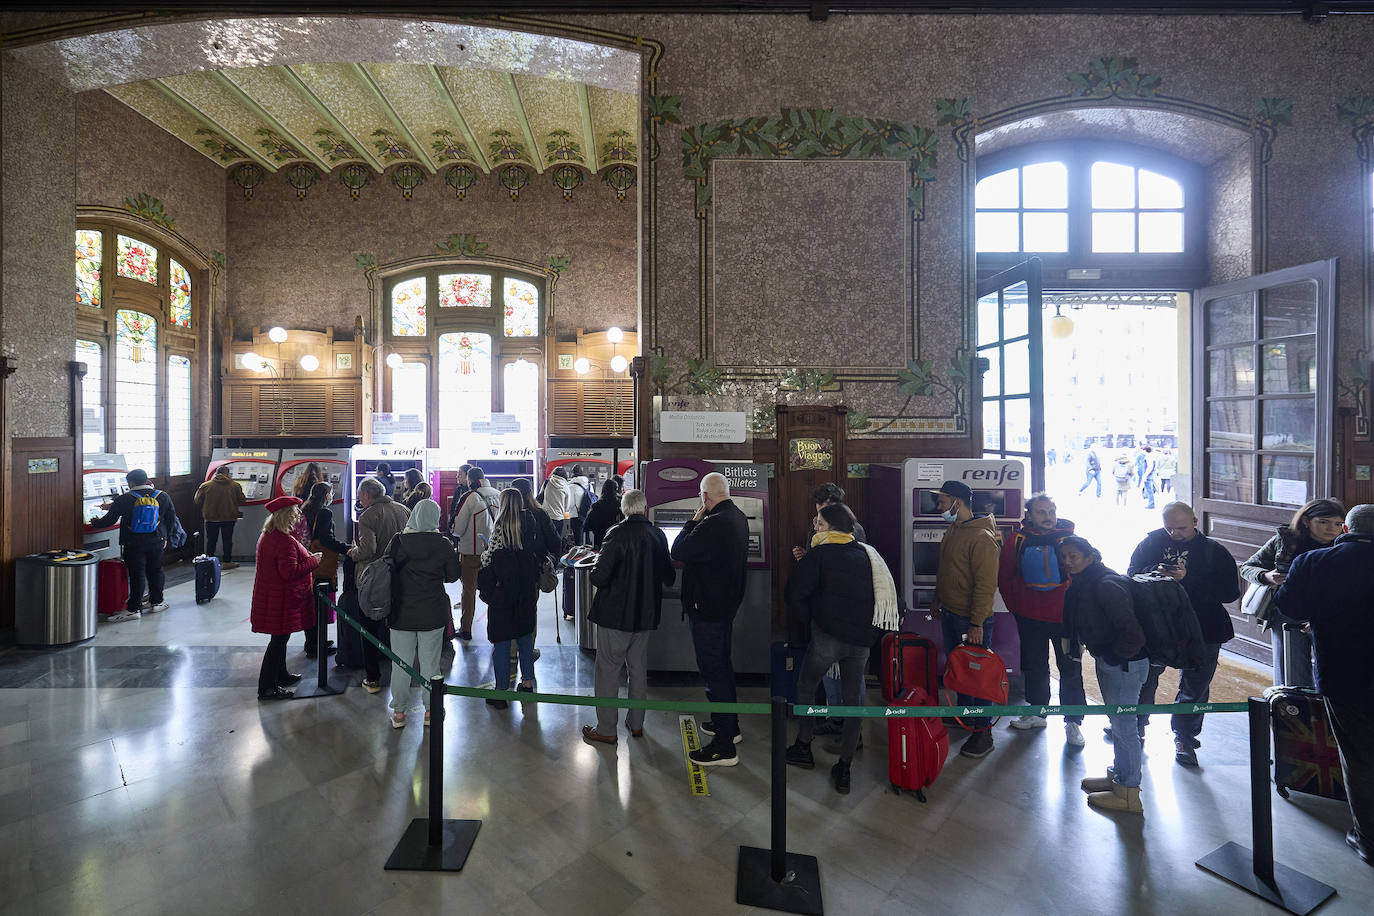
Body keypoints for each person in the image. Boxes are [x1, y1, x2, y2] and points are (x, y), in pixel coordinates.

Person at [1275, 504, 1374, 867]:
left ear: (1345, 530)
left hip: (1342, 673)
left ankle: (1369, 839)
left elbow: (1288, 607)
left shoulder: (1315, 562)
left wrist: (1319, 618)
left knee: (1360, 757)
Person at [1127, 501, 1241, 767]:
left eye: (1180, 528)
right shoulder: (1152, 542)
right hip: (1156, 623)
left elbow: (1230, 593)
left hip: (1203, 625)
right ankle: (1136, 726)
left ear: (1195, 522)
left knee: (1196, 685)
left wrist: (1187, 579)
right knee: (1145, 679)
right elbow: (1131, 574)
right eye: (1169, 528)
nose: (1174, 534)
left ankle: (1185, 738)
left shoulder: (1214, 551)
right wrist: (1155, 574)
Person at [784, 504, 886, 794]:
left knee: (806, 685)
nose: (815, 528)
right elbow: (888, 596)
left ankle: (803, 747)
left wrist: (814, 622)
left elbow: (794, 594)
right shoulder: (869, 554)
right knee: (854, 700)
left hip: (827, 638)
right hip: (861, 642)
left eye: (818, 523)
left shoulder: (818, 555)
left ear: (828, 527)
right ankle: (845, 766)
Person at [1058, 536, 1149, 814]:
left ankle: (1129, 792)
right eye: (1064, 557)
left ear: (1090, 556)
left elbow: (1133, 635)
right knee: (1118, 722)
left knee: (1124, 727)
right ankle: (1119, 778)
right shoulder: (1087, 581)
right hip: (1113, 661)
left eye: (1074, 556)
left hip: (1124, 665)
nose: (1068, 562)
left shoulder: (1106, 584)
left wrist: (1111, 657)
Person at [582, 488, 674, 744]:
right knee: (638, 670)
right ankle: (636, 724)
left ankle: (606, 729)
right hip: (644, 616)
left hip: (615, 616)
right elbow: (669, 577)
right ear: (644, 508)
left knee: (608, 672)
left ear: (623, 509)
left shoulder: (616, 534)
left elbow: (599, 577)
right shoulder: (657, 535)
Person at [671, 470, 750, 766]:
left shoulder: (713, 524)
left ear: (704, 497)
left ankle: (724, 747)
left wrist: (693, 519)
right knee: (722, 666)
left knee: (713, 670)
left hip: (707, 610)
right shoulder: (739, 517)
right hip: (725, 606)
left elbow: (678, 550)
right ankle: (727, 724)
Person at [997, 494, 1086, 746]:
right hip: (1029, 617)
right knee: (1034, 667)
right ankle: (1037, 712)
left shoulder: (1070, 540)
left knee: (1070, 669)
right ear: (1029, 515)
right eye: (1041, 512)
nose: (1048, 517)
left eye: (1051, 511)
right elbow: (1004, 577)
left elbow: (1085, 574)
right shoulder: (1016, 540)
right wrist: (1016, 609)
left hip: (1065, 619)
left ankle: (1073, 722)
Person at [931, 479, 1003, 759]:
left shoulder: (981, 538)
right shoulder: (955, 529)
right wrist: (938, 598)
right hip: (951, 612)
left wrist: (976, 624)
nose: (939, 507)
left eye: (942, 502)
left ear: (957, 503)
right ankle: (967, 715)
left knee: (978, 677)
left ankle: (983, 733)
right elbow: (946, 569)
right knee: (962, 672)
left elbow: (986, 586)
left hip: (970, 621)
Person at [1240, 497, 1345, 688]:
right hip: (1287, 613)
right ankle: (1291, 715)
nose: (1332, 528)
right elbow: (1247, 567)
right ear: (1306, 521)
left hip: (1329, 616)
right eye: (1323, 522)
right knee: (1290, 675)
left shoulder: (1343, 546)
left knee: (1332, 672)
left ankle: (1325, 715)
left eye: (1338, 523)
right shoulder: (1286, 541)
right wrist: (1266, 576)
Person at [386, 499, 460, 728]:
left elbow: (387, 570)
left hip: (400, 613)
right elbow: (453, 576)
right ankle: (431, 711)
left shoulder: (398, 541)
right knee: (430, 664)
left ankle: (399, 713)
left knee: (401, 664)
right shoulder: (443, 544)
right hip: (432, 612)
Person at [250, 496, 321, 701]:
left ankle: (281, 675)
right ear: (285, 516)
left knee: (280, 639)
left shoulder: (270, 535)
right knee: (278, 642)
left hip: (275, 597)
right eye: (294, 512)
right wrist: (313, 561)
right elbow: (289, 572)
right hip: (280, 599)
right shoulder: (283, 541)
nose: (298, 516)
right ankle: (267, 687)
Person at [88, 468, 180, 621]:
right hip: (156, 541)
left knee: (137, 574)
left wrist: (95, 523)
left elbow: (109, 520)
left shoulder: (124, 499)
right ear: (146, 479)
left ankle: (133, 608)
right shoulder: (162, 496)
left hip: (133, 542)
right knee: (156, 571)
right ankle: (157, 602)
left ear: (130, 482)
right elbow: (171, 519)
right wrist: (165, 537)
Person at [479, 489, 543, 708]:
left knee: (502, 643)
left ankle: (501, 692)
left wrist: (485, 551)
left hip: (503, 592)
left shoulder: (500, 525)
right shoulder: (530, 521)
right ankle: (527, 684)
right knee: (525, 639)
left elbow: (490, 559)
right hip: (525, 589)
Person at [348, 478, 410, 694]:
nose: (359, 499)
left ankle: (373, 678)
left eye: (359, 495)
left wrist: (352, 552)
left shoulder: (368, 515)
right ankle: (402, 674)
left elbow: (368, 549)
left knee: (369, 628)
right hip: (402, 577)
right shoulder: (403, 510)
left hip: (374, 579)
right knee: (399, 629)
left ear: (366, 495)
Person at [450, 466, 500, 642]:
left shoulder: (470, 497)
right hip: (494, 552)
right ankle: (495, 629)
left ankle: (466, 629)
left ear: (470, 480)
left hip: (471, 552)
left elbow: (458, 528)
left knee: (468, 591)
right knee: (494, 590)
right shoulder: (498, 494)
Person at [302, 482, 349, 655]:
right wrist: (347, 548)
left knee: (311, 604)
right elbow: (326, 540)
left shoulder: (305, 508)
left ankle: (312, 641)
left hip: (306, 560)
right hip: (320, 562)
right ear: (326, 495)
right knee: (320, 604)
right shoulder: (324, 512)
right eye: (331, 493)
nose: (332, 496)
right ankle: (316, 645)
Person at [194, 466, 245, 570]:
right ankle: (227, 562)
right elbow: (242, 500)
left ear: (216, 473)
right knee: (227, 540)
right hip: (229, 517)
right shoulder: (235, 485)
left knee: (211, 540)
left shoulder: (205, 485)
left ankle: (209, 561)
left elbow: (197, 500)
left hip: (211, 517)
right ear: (228, 473)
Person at [584, 476, 625, 548]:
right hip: (616, 542)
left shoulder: (596, 506)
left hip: (600, 542)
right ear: (616, 489)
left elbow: (587, 526)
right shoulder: (620, 506)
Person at [1139, 445, 1157, 510]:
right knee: (1150, 490)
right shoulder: (1152, 456)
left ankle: (1151, 504)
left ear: (1144, 450)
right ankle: (1151, 503)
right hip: (1150, 475)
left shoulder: (1148, 457)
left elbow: (1150, 467)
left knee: (1150, 491)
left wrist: (1145, 475)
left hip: (1148, 476)